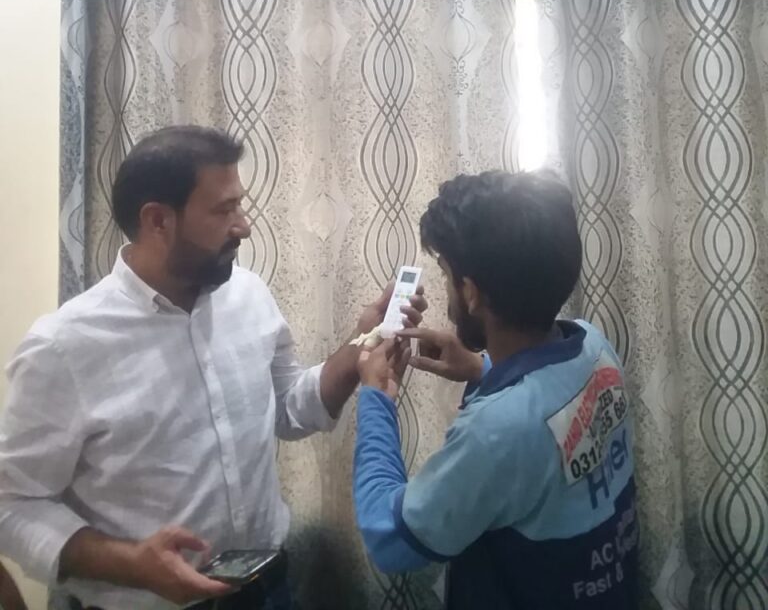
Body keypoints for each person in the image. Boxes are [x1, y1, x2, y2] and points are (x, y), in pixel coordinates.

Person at [0, 126, 426, 610]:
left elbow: (290, 407)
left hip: (265, 591)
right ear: (158, 221)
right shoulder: (63, 347)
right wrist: (132, 563)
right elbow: (13, 505)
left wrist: (362, 343)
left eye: (239, 205)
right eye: (224, 210)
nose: (244, 226)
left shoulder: (247, 295)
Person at [353, 169, 638, 609]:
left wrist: (376, 399)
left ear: (470, 292)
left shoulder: (496, 430)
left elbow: (389, 538)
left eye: (447, 274)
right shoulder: (592, 344)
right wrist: (481, 368)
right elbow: (554, 425)